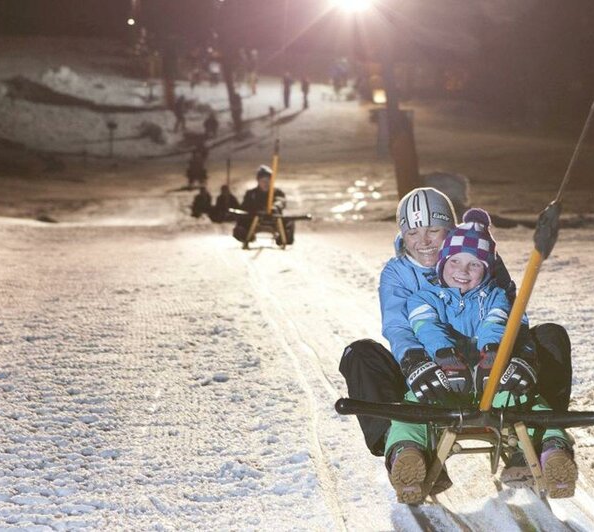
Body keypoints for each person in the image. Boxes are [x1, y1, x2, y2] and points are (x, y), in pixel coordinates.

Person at [337, 188, 573, 492]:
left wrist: (522, 359)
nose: (423, 241)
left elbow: (511, 318)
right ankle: (408, 454)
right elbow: (399, 326)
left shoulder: (481, 259)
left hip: (489, 363)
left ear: (450, 229)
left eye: (433, 230)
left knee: (551, 335)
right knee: (359, 354)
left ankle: (539, 444)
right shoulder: (397, 273)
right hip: (427, 367)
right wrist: (416, 362)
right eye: (412, 232)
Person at [232, 165, 295, 245]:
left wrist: (274, 207)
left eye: (268, 181)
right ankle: (247, 236)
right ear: (258, 181)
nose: (266, 183)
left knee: (289, 221)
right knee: (241, 221)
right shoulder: (251, 194)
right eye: (263, 181)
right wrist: (255, 209)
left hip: (273, 219)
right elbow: (245, 207)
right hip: (254, 218)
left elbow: (281, 201)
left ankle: (282, 239)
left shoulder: (277, 192)